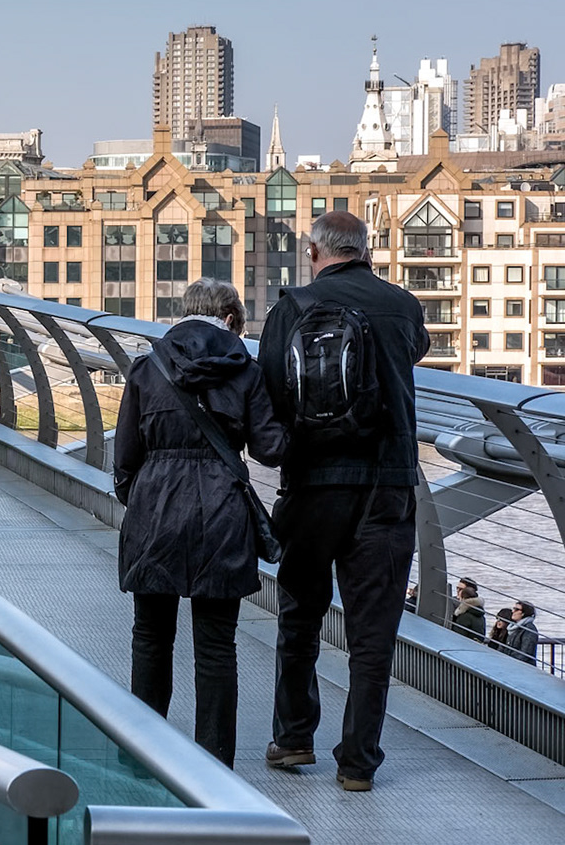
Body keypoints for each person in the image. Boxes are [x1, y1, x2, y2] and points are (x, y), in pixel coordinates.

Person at [257, 211, 430, 791]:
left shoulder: (291, 308)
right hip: (387, 484)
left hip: (311, 485)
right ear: (366, 250)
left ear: (314, 251)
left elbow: (272, 391)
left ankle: (293, 739)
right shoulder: (402, 304)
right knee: (372, 633)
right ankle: (357, 762)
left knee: (301, 615)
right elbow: (417, 352)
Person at [113, 278, 287, 768]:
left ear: (182, 314)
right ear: (230, 318)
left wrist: (145, 500)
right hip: (222, 513)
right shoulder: (246, 372)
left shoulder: (147, 368)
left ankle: (141, 757)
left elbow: (125, 458)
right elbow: (272, 450)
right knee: (216, 646)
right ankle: (214, 764)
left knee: (150, 636)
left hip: (155, 509)